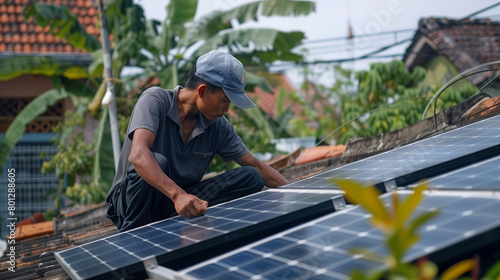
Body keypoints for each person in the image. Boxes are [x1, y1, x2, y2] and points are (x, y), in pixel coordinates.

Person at [106, 50, 289, 232]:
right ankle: (137, 232)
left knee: (251, 177)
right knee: (156, 161)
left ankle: (176, 219)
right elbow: (138, 155)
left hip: (176, 203)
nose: (226, 109)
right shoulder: (155, 100)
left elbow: (256, 166)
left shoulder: (218, 125)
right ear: (202, 91)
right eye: (224, 100)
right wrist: (178, 196)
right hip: (132, 205)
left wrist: (297, 192)